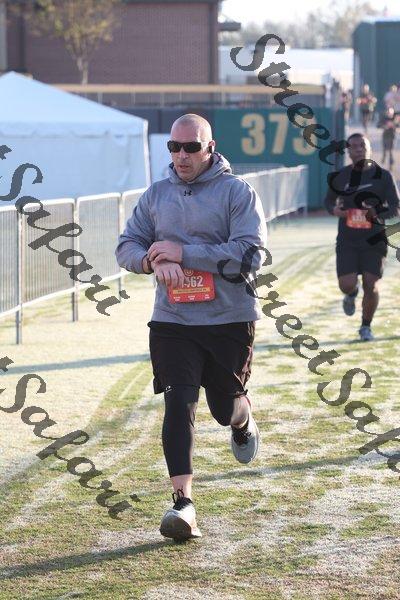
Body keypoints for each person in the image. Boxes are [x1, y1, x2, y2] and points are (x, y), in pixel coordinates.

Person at [116, 114, 267, 541]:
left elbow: (250, 255)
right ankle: (183, 505)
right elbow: (126, 246)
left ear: (210, 147)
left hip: (228, 319)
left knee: (222, 408)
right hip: (173, 320)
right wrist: (150, 261)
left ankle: (242, 418)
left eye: (191, 147)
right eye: (174, 147)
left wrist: (182, 253)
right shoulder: (156, 195)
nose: (181, 156)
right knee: (178, 401)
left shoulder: (237, 192)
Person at [324, 133, 400, 341]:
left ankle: (366, 326)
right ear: (348, 151)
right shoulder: (340, 176)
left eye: (362, 145)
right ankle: (351, 293)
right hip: (347, 239)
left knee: (371, 284)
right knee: (346, 284)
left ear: (369, 149)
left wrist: (376, 213)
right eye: (354, 146)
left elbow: (395, 207)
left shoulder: (383, 176)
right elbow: (328, 201)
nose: (358, 149)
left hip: (374, 239)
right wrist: (335, 210)